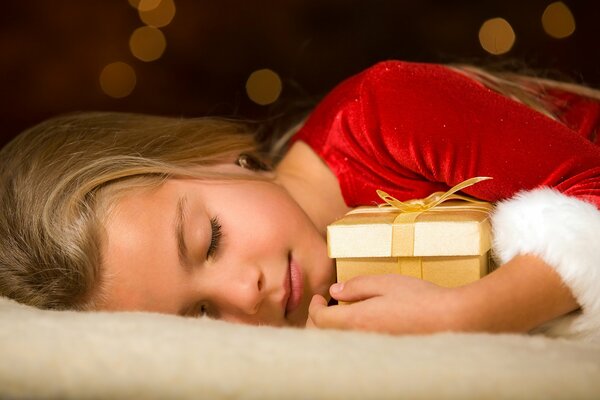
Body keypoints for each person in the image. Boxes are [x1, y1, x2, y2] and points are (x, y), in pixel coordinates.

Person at [1, 60, 599, 341]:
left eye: (209, 241)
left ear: (210, 154)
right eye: (202, 315)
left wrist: (466, 316)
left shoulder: (384, 114)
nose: (244, 294)